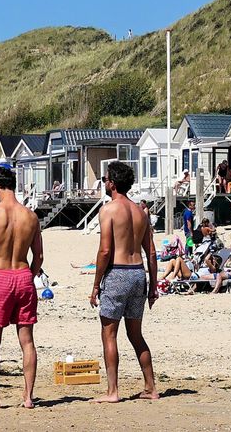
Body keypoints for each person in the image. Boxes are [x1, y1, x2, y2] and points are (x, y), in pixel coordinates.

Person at [0, 166, 44, 410]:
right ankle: (28, 396)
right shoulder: (30, 215)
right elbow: (40, 256)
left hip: (1, 275)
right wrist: (29, 275)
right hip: (24, 275)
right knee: (27, 341)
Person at [90, 161, 159, 403]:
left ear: (112, 182)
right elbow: (151, 252)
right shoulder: (141, 212)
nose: (104, 182)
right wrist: (153, 285)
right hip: (138, 273)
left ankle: (113, 391)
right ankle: (150, 387)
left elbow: (105, 251)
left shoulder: (108, 210)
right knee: (136, 334)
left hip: (117, 273)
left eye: (105, 178)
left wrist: (96, 284)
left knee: (109, 334)